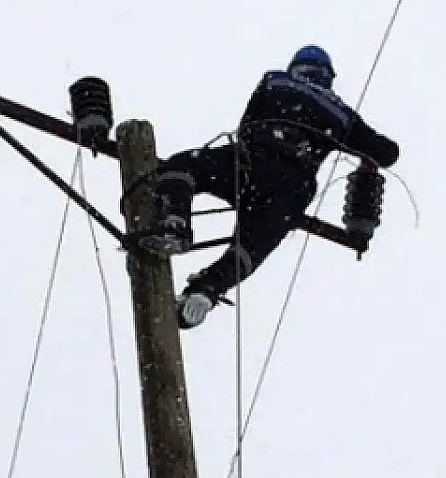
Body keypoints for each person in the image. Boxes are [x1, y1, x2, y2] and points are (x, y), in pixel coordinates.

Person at [139, 44, 400, 329]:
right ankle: (207, 289)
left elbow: (247, 125)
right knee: (252, 243)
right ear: (328, 76)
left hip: (250, 163)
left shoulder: (274, 80)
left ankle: (175, 224)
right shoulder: (342, 114)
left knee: (182, 167)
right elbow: (387, 152)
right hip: (291, 188)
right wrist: (366, 160)